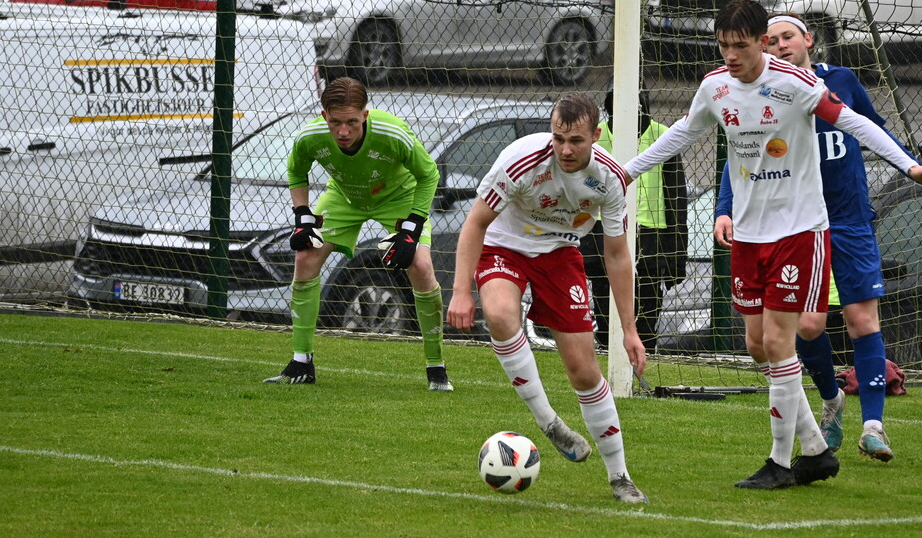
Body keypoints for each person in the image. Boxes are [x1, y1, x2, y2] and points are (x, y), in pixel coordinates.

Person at [624, 0, 922, 490]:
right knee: (758, 346)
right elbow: (682, 133)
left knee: (783, 341)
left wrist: (912, 167)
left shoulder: (794, 83)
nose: (731, 55)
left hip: (799, 232)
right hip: (749, 235)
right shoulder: (715, 86)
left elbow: (854, 121)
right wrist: (626, 172)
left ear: (761, 43)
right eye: (723, 45)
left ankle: (782, 462)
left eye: (740, 46)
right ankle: (817, 451)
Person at [715, 13, 914, 462]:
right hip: (799, 224)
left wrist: (912, 165)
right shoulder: (765, 90)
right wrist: (725, 207)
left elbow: (871, 127)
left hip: (849, 219)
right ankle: (831, 399)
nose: (781, 45)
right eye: (773, 40)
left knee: (862, 320)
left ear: (808, 39)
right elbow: (740, 153)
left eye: (789, 36)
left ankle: (874, 426)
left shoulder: (840, 81)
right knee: (807, 326)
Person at [446, 93, 650, 504]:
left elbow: (616, 255)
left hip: (559, 253)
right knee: (500, 315)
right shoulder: (521, 159)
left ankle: (620, 477)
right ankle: (550, 422)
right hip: (503, 246)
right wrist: (460, 292)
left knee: (583, 371)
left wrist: (629, 330)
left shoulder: (609, 178)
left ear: (596, 135)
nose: (565, 149)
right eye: (558, 138)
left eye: (575, 140)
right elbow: (476, 223)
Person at [264, 76, 452, 392]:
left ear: (365, 115)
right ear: (324, 115)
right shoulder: (309, 136)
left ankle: (437, 370)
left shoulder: (393, 133)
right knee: (305, 257)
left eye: (352, 122)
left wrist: (411, 228)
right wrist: (303, 215)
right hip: (345, 195)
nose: (343, 131)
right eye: (335, 122)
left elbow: (429, 174)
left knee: (420, 266)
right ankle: (301, 364)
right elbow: (296, 170)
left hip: (399, 196)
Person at [581, 89, 688, 351]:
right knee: (605, 298)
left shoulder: (662, 135)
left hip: (651, 232)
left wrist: (676, 254)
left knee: (648, 303)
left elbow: (676, 196)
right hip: (603, 229)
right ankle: (608, 350)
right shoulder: (597, 137)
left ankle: (644, 352)